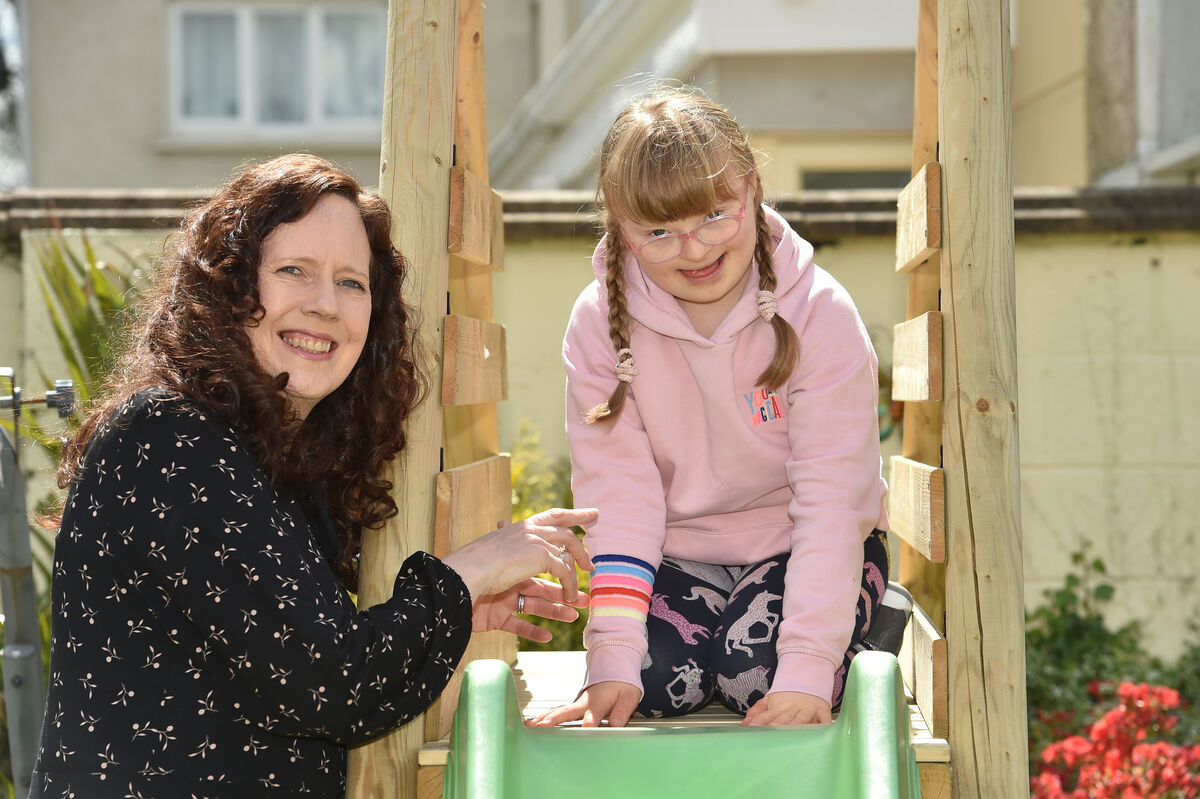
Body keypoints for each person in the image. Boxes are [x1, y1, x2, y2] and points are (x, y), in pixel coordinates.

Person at [30, 154, 596, 798]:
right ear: (228, 286)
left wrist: (462, 606)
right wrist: (468, 575)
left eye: (352, 283)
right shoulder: (168, 438)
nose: (325, 305)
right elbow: (339, 683)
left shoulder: (275, 467)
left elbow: (306, 671)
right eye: (294, 271)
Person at [533, 87, 906, 730]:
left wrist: (811, 669)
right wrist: (611, 659)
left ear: (753, 188)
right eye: (657, 232)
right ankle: (698, 634)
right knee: (649, 685)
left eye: (713, 215)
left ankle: (869, 605)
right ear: (618, 225)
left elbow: (829, 498)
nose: (695, 249)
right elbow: (619, 496)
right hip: (679, 551)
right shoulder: (599, 323)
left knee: (758, 679)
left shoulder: (820, 313)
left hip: (800, 541)